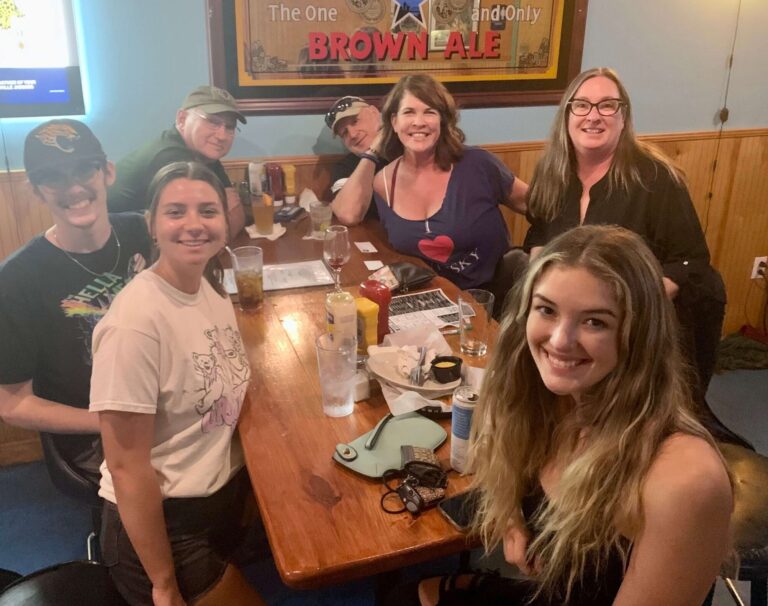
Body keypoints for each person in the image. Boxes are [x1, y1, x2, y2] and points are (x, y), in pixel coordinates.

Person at [418, 225, 733, 606]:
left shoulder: (684, 480)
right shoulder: (552, 398)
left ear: (639, 335)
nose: (560, 340)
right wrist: (512, 519)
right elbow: (505, 466)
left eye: (595, 321)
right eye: (547, 310)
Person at [90, 162, 263, 605]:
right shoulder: (134, 325)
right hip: (164, 526)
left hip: (217, 497)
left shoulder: (209, 287)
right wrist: (164, 584)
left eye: (208, 211)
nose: (194, 224)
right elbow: (126, 468)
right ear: (151, 224)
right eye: (175, 212)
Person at [524, 67, 727, 415]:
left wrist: (624, 312)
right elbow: (540, 238)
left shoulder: (655, 177)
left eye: (607, 105)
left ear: (623, 117)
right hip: (570, 326)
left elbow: (689, 262)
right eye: (582, 105)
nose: (593, 116)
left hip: (636, 328)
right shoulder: (552, 172)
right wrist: (536, 300)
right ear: (567, 114)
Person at [0, 119, 151, 486]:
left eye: (84, 169)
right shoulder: (17, 278)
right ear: (36, 191)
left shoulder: (141, 231)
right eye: (53, 177)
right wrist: (109, 423)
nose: (73, 187)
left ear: (108, 172)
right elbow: (13, 405)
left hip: (157, 397)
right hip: (93, 434)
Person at [371, 74, 528, 290]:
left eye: (430, 112)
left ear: (443, 121)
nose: (419, 122)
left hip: (493, 296)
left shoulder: (478, 163)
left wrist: (541, 256)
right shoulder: (383, 182)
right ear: (394, 121)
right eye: (409, 112)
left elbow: (535, 205)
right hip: (428, 297)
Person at [107, 85, 247, 238]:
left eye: (230, 127)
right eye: (213, 122)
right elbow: (202, 236)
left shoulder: (205, 154)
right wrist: (223, 209)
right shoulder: (170, 158)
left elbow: (235, 215)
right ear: (182, 119)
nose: (222, 135)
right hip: (114, 246)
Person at [326, 95, 384, 223]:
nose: (352, 134)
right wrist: (372, 154)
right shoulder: (344, 167)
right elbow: (348, 215)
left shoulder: (409, 148)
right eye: (344, 133)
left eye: (355, 121)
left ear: (374, 113)